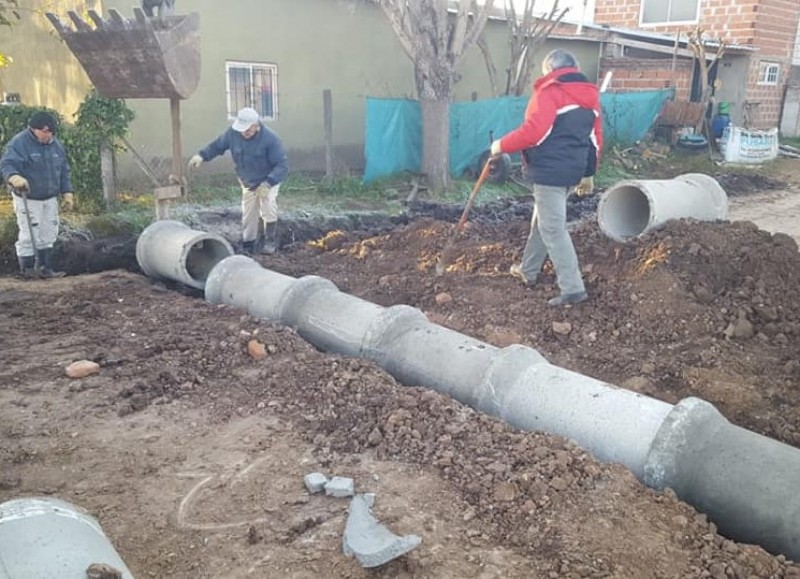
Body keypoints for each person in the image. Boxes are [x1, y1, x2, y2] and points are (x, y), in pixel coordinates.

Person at [490, 49, 603, 307]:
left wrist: (500, 146)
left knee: (552, 228)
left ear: (550, 71)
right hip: (571, 170)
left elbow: (534, 133)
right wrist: (588, 174)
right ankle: (528, 270)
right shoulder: (590, 96)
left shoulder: (550, 92)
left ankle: (573, 290)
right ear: (573, 67)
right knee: (543, 220)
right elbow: (595, 139)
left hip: (549, 170)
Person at [188, 107, 289, 254]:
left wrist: (267, 184)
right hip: (247, 181)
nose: (244, 133)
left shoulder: (270, 139)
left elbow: (282, 165)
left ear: (256, 126)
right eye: (242, 130)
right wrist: (202, 156)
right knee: (248, 213)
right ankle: (249, 244)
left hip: (268, 181)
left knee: (268, 207)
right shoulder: (233, 134)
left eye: (248, 130)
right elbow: (217, 146)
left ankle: (269, 242)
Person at [1, 111, 74, 278]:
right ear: (34, 129)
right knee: (29, 234)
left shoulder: (56, 145)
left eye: (51, 132)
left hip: (49, 197)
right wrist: (14, 177)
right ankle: (27, 271)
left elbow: (63, 170)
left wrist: (67, 192)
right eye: (45, 132)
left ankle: (45, 268)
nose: (49, 136)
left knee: (49, 233)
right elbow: (7, 164)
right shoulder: (19, 144)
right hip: (29, 198)